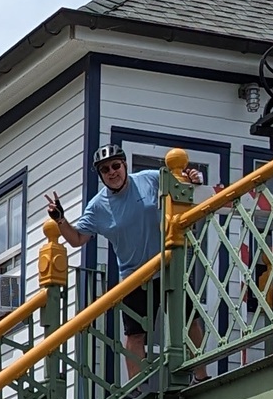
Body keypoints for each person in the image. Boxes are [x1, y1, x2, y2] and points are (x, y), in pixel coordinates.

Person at [46, 147, 204, 376]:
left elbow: (182, 191)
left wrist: (193, 179)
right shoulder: (97, 206)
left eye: (116, 166)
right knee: (135, 334)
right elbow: (77, 239)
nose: (112, 172)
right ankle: (136, 388)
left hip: (169, 263)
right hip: (134, 276)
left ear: (125, 165)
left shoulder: (150, 179)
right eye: (105, 169)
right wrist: (60, 220)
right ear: (100, 175)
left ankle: (200, 375)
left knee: (190, 321)